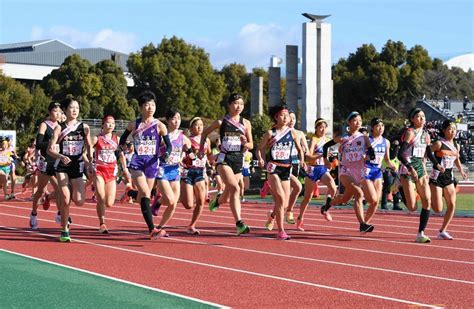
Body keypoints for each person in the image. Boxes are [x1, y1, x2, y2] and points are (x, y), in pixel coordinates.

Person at [119, 90, 172, 239]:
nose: (150, 108)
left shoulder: (160, 126)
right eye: (147, 105)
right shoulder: (133, 124)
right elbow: (122, 140)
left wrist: (166, 155)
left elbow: (169, 146)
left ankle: (129, 192)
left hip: (152, 164)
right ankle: (152, 229)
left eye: (153, 105)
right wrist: (119, 149)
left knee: (143, 196)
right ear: (141, 107)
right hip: (137, 163)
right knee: (146, 193)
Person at [200, 93, 253, 235]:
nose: (238, 107)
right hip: (224, 159)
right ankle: (239, 223)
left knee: (229, 195)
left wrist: (245, 143)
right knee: (235, 189)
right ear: (229, 105)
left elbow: (251, 144)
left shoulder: (246, 123)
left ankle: (218, 199)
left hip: (238, 160)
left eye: (241, 104)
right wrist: (202, 150)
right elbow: (205, 133)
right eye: (235, 103)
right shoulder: (221, 122)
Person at [322, 111, 378, 233]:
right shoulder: (343, 138)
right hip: (346, 171)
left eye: (360, 121)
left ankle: (328, 205)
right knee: (358, 194)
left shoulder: (364, 138)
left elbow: (371, 154)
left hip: (361, 171)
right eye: (355, 120)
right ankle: (362, 224)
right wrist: (326, 160)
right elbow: (325, 146)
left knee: (368, 199)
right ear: (349, 122)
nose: (358, 123)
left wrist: (369, 155)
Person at [47, 98, 93, 242]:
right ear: (65, 110)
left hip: (77, 166)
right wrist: (60, 156)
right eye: (72, 108)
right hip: (62, 166)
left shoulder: (84, 127)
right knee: (66, 199)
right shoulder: (59, 128)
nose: (75, 110)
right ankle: (65, 229)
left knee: (79, 201)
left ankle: (52, 196)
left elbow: (90, 146)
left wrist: (90, 162)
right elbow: (49, 150)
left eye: (77, 108)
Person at [257, 104, 305, 240]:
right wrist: (261, 159)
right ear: (276, 117)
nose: (286, 118)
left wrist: (302, 160)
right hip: (273, 168)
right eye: (283, 115)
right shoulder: (270, 133)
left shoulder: (292, 132)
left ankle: (271, 216)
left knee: (283, 203)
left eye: (287, 115)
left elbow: (300, 148)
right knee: (281, 198)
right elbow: (259, 148)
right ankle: (281, 231)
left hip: (286, 168)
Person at [397, 107, 440, 243]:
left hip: (420, 167)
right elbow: (400, 154)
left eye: (423, 117)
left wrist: (436, 165)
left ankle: (421, 233)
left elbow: (429, 152)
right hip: (407, 168)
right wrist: (410, 168)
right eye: (419, 117)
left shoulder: (426, 135)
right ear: (412, 119)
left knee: (427, 200)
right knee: (412, 207)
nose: (422, 119)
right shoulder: (409, 133)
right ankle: (400, 189)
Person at [429, 120, 468, 240]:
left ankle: (443, 230)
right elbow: (427, 153)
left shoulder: (457, 146)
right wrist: (432, 165)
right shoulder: (439, 144)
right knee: (438, 209)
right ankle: (427, 195)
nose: (453, 131)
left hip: (448, 177)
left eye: (454, 129)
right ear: (444, 130)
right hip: (437, 177)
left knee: (452, 205)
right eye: (450, 129)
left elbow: (456, 158)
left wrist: (461, 170)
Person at [296, 118, 337, 231]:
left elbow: (330, 156)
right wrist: (321, 155)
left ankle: (325, 208)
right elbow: (308, 157)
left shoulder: (328, 140)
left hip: (323, 169)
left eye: (324, 127)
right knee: (308, 197)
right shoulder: (314, 140)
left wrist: (331, 159)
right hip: (312, 170)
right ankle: (300, 218)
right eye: (320, 127)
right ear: (316, 129)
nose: (322, 129)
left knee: (333, 188)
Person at [29, 102, 62, 230]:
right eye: (55, 111)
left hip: (57, 161)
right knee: (39, 191)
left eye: (59, 111)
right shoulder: (44, 124)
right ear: (49, 112)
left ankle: (60, 213)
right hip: (46, 162)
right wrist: (51, 143)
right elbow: (39, 143)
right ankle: (33, 214)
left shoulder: (61, 126)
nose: (57, 114)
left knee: (60, 190)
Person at [91, 115, 126, 234]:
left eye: (113, 123)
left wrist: (125, 169)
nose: (110, 125)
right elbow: (88, 149)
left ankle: (126, 194)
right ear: (102, 124)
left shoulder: (117, 139)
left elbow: (121, 155)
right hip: (99, 170)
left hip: (111, 172)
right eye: (108, 123)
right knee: (100, 197)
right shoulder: (97, 139)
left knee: (109, 203)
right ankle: (102, 223)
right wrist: (89, 161)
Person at [181, 117, 213, 234]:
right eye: (196, 125)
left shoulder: (207, 141)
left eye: (201, 125)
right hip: (188, 172)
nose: (199, 127)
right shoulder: (187, 140)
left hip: (200, 171)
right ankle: (179, 194)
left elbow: (209, 154)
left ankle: (192, 225)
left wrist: (214, 163)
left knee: (201, 201)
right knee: (189, 205)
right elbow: (181, 154)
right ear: (191, 127)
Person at [363, 118, 396, 223]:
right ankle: (361, 197)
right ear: (372, 128)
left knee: (376, 200)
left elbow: (387, 159)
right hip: (366, 170)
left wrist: (392, 166)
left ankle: (365, 222)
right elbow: (361, 155)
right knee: (372, 199)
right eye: (378, 126)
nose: (380, 128)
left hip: (377, 171)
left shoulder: (386, 142)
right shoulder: (367, 140)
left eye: (382, 125)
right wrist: (366, 157)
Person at [284, 110, 307, 225]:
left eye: (294, 118)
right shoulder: (280, 132)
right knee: (292, 189)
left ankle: (274, 215)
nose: (292, 120)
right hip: (283, 165)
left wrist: (304, 158)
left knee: (293, 190)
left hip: (295, 164)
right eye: (290, 118)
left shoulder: (299, 133)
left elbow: (306, 150)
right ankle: (288, 212)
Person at [381, 139, 403, 210]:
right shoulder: (389, 151)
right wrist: (396, 146)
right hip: (387, 170)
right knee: (388, 186)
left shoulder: (397, 152)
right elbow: (391, 157)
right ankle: (384, 204)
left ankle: (396, 204)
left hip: (396, 171)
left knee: (396, 187)